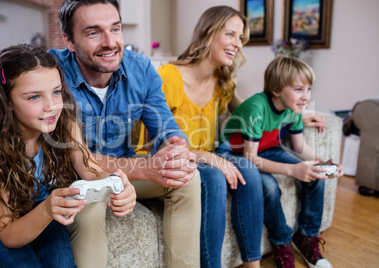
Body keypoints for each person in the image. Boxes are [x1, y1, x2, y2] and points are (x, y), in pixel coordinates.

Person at [49, 0, 201, 267]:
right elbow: (73, 158)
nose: (110, 42)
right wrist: (143, 169)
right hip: (72, 176)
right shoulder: (51, 72)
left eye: (115, 28)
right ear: (69, 41)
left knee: (187, 177)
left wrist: (174, 147)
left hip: (121, 172)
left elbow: (166, 128)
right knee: (88, 206)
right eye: (94, 32)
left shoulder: (140, 69)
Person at [0, 44, 136, 267]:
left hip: (41, 205)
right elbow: (10, 236)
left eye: (56, 92)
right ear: (7, 101)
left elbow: (89, 168)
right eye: (34, 97)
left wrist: (116, 185)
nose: (52, 106)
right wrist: (47, 209)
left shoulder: (65, 124)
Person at [138, 6, 264, 268]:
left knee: (249, 170)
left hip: (205, 159)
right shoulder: (168, 78)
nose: (238, 45)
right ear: (208, 32)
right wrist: (209, 158)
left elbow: (252, 111)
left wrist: (296, 114)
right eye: (231, 34)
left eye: (240, 38)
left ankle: (254, 264)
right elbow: (150, 147)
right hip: (170, 162)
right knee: (214, 177)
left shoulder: (222, 81)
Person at [217, 55, 344, 268]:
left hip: (267, 149)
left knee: (317, 174)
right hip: (236, 155)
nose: (306, 97)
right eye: (298, 89)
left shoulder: (293, 109)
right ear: (277, 90)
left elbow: (300, 147)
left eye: (308, 89)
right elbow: (250, 158)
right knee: (269, 187)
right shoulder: (256, 108)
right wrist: (293, 170)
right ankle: (282, 242)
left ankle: (306, 237)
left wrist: (323, 161)